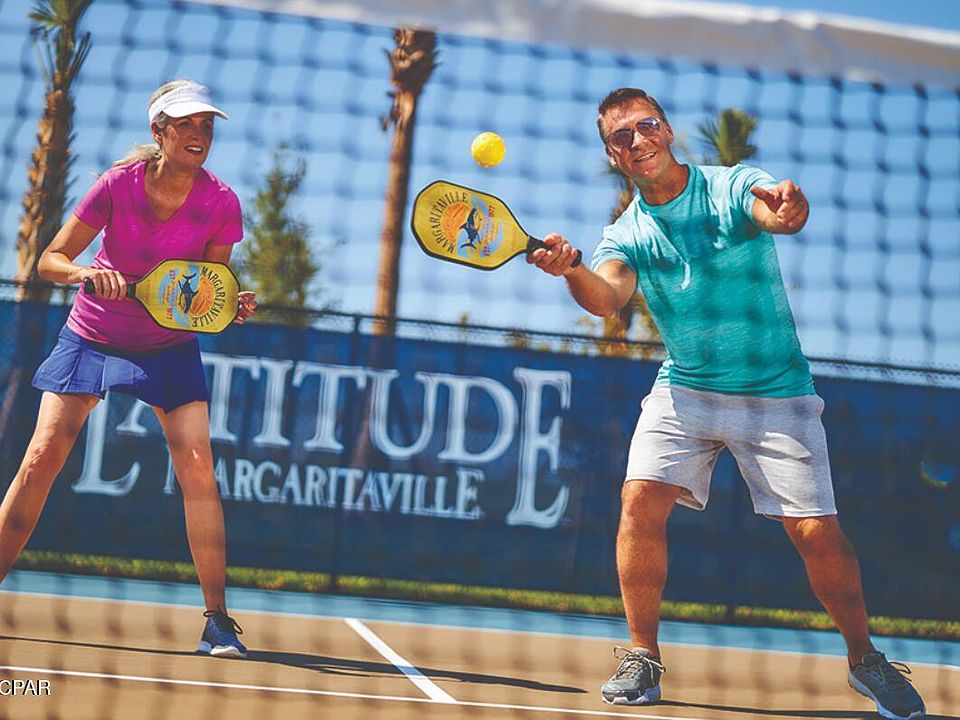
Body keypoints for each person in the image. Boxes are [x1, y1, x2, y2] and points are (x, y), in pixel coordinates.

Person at [529, 87, 925, 720]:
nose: (637, 141)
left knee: (817, 533)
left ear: (666, 130)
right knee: (639, 499)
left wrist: (788, 208)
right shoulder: (626, 232)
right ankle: (642, 656)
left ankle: (864, 659)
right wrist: (572, 268)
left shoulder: (730, 185)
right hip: (685, 387)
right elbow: (607, 298)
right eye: (621, 137)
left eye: (646, 126)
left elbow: (773, 213)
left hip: (776, 393)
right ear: (612, 155)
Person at [0, 79, 257, 659]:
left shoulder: (221, 202)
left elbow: (210, 289)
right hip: (91, 335)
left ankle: (217, 622)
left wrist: (230, 305)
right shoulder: (116, 185)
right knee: (40, 457)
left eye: (206, 126)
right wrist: (87, 273)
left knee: (199, 467)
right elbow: (50, 260)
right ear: (159, 131)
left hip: (168, 346)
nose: (199, 134)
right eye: (186, 124)